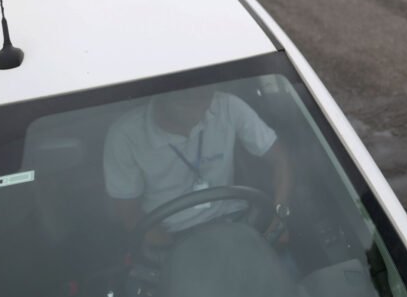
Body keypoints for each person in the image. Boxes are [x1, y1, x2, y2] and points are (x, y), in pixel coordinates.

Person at [104, 84, 293, 245]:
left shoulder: (227, 106)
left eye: (205, 94)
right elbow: (130, 215)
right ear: (163, 95)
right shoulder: (125, 137)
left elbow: (280, 158)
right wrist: (176, 253)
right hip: (171, 236)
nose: (198, 101)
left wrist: (279, 219)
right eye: (185, 97)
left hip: (235, 221)